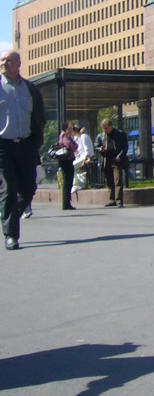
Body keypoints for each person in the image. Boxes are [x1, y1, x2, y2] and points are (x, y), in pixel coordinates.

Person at [0, 49, 45, 250]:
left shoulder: (30, 89)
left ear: (18, 63)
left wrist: (36, 141)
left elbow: (39, 117)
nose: (4, 63)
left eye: (8, 60)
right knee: (9, 188)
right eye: (2, 60)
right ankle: (11, 235)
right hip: (3, 146)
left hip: (26, 145)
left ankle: (6, 214)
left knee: (28, 189)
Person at [95, 118, 128, 207]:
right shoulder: (100, 136)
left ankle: (119, 200)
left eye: (106, 128)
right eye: (103, 128)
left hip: (116, 160)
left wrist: (120, 156)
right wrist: (100, 149)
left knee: (118, 180)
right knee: (109, 180)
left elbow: (125, 147)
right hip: (106, 160)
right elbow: (96, 146)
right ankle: (112, 199)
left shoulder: (120, 134)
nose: (104, 130)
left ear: (110, 126)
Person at [56, 122, 78, 210]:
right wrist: (74, 145)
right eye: (69, 128)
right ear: (65, 128)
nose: (71, 130)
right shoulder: (65, 136)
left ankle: (67, 203)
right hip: (66, 161)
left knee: (68, 182)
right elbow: (71, 146)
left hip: (66, 161)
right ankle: (66, 203)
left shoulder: (66, 136)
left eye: (72, 128)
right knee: (67, 182)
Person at [73, 126, 95, 191]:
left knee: (72, 166)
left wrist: (88, 158)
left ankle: (76, 184)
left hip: (84, 157)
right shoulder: (77, 138)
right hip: (79, 157)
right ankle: (77, 183)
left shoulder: (84, 137)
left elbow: (87, 148)